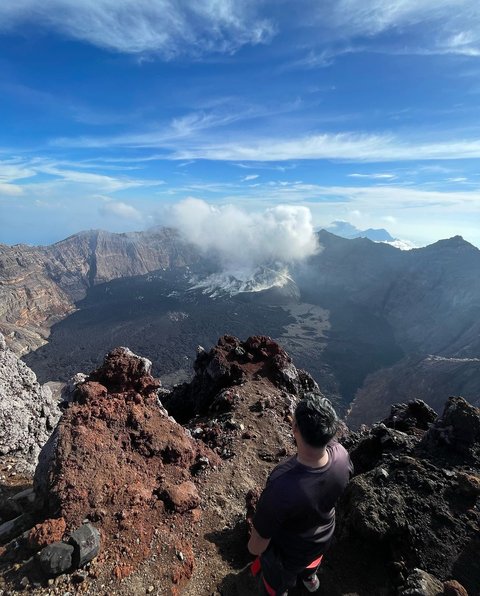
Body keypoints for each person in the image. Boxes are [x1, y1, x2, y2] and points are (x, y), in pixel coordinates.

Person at [248, 393, 353, 595]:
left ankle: (281, 590)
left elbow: (256, 547)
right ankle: (309, 577)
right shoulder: (342, 455)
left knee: (276, 582)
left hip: (290, 552)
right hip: (323, 537)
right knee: (311, 562)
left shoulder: (282, 485)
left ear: (295, 428)